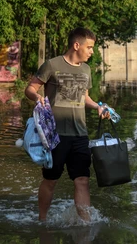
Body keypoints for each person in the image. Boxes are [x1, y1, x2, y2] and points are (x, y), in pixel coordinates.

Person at [25, 27, 109, 222]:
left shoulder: (86, 69)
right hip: (54, 136)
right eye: (89, 47)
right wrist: (37, 97)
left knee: (82, 180)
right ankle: (42, 220)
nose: (92, 51)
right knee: (51, 180)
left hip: (80, 135)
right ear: (76, 45)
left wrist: (97, 106)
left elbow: (84, 97)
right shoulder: (52, 65)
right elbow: (30, 87)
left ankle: (86, 225)